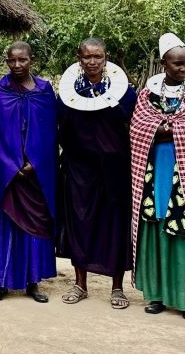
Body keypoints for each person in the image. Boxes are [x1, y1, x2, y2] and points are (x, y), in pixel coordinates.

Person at [128, 33, 185, 320]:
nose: (183, 69)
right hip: (153, 173)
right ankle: (156, 296)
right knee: (154, 227)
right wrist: (167, 130)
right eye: (177, 64)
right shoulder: (147, 95)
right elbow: (138, 130)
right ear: (164, 64)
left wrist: (164, 130)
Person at [56, 38, 137, 309]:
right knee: (80, 223)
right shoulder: (68, 92)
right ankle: (80, 283)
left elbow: (132, 125)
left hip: (115, 168)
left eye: (98, 56)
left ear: (106, 58)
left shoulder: (124, 91)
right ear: (79, 59)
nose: (92, 61)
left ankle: (117, 287)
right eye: (87, 56)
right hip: (79, 169)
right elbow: (60, 127)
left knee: (115, 224)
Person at [0, 41, 58, 302]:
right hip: (7, 175)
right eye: (12, 61)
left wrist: (35, 162)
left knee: (34, 228)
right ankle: (1, 282)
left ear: (31, 60)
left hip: (35, 175)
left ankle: (33, 282)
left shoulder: (44, 91)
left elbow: (50, 133)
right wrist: (11, 165)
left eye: (22, 60)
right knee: (5, 227)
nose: (17, 65)